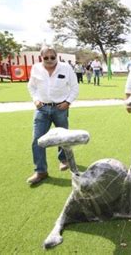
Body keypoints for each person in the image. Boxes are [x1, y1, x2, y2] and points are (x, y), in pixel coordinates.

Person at [26, 46, 79, 185]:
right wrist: (35, 100)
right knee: (37, 140)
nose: (49, 60)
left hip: (60, 108)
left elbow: (74, 87)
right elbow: (31, 87)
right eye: (46, 58)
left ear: (57, 57)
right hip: (42, 108)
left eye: (52, 57)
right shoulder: (36, 68)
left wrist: (68, 102)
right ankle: (40, 171)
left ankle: (63, 159)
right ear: (41, 58)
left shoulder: (66, 68)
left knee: (63, 138)